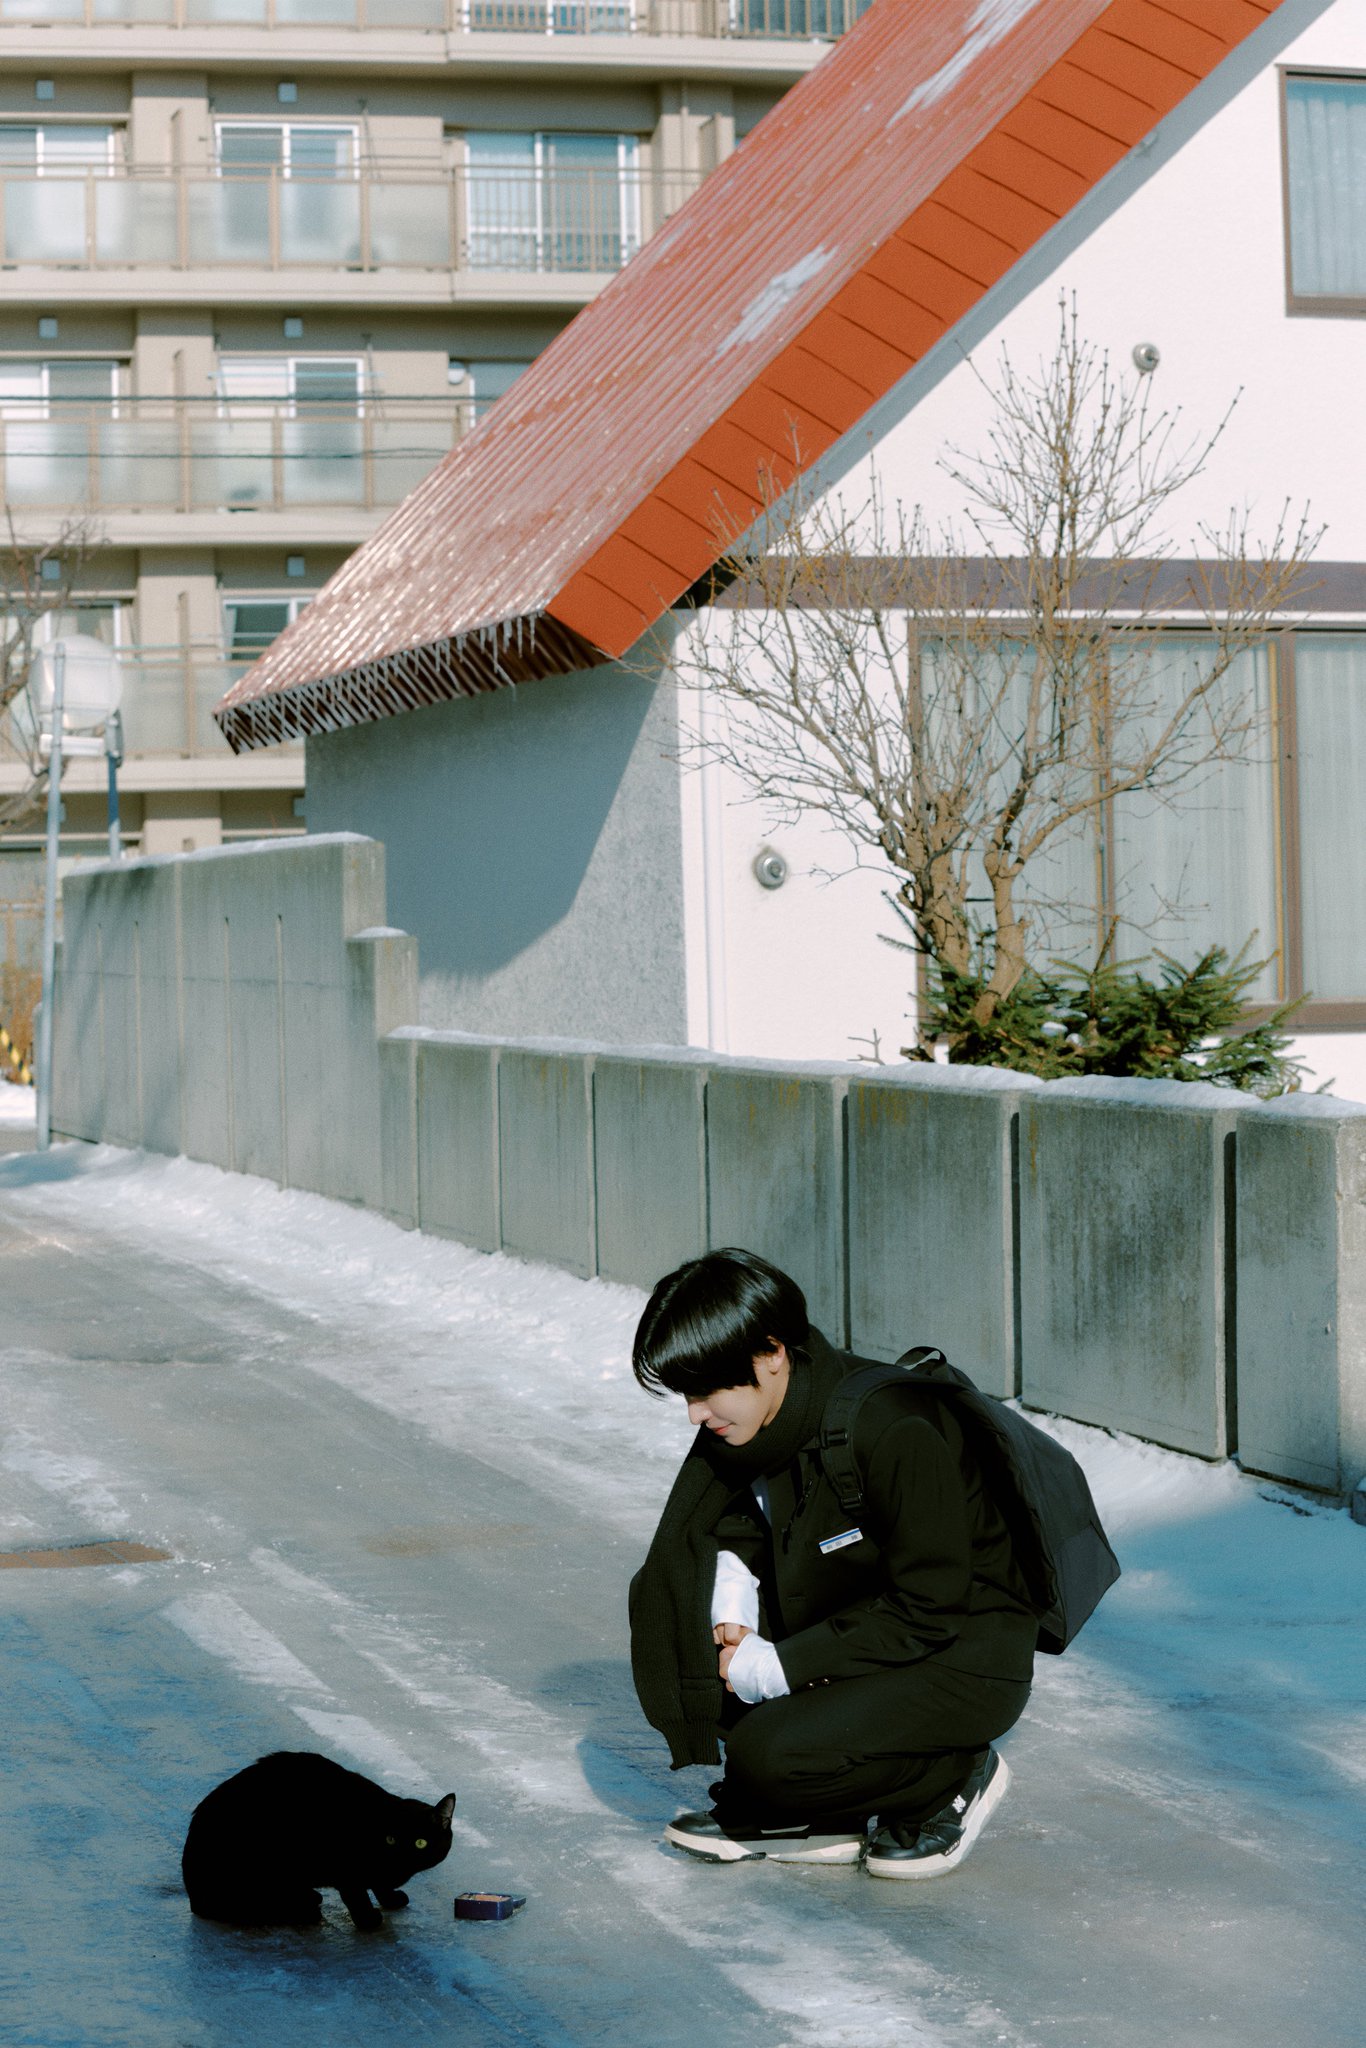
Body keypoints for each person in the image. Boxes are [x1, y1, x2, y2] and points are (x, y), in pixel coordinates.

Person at [628, 1247, 1040, 1876]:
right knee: (694, 1658)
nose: (695, 1413)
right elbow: (740, 1519)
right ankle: (819, 1813)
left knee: (769, 1755)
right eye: (687, 1392)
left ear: (770, 1353)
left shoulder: (894, 1427)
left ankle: (949, 1778)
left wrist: (782, 1666)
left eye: (708, 1389)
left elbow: (929, 1608)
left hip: (960, 1656)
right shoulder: (767, 1420)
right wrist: (733, 1600)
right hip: (859, 1627)